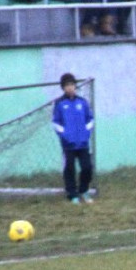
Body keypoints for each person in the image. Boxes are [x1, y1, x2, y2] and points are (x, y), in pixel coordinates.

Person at [52, 73, 95, 204]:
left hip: (83, 143)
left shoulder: (82, 102)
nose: (70, 88)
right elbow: (56, 123)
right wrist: (65, 135)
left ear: (75, 86)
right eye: (67, 85)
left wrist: (86, 133)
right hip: (68, 144)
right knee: (69, 168)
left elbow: (90, 120)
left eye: (72, 85)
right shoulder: (60, 104)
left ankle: (84, 190)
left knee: (87, 167)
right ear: (63, 88)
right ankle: (72, 194)